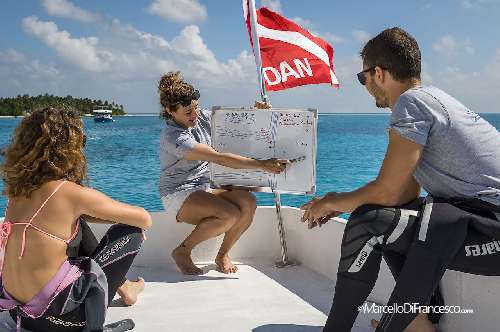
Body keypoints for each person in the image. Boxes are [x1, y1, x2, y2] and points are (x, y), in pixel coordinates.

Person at [300, 27, 500, 332]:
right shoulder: (434, 98)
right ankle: (417, 322)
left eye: (362, 77)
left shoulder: (411, 104)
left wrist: (331, 202)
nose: (364, 85)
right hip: (485, 221)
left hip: (492, 233)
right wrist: (341, 201)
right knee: (389, 217)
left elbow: (390, 191)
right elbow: (404, 192)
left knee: (367, 224)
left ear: (379, 73)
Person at [0, 107, 152, 331]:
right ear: (70, 149)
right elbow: (144, 218)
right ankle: (107, 307)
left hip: (19, 315)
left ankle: (126, 287)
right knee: (130, 231)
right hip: (60, 320)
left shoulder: (17, 193)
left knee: (75, 223)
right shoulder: (70, 193)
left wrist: (81, 213)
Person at [158, 71, 288, 275]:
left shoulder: (201, 117)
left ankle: (222, 255)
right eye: (188, 112)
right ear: (170, 111)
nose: (195, 116)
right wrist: (262, 165)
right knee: (229, 215)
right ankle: (183, 251)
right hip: (178, 192)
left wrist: (257, 112)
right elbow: (219, 158)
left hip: (204, 186)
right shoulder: (174, 137)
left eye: (196, 108)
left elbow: (238, 122)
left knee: (248, 202)